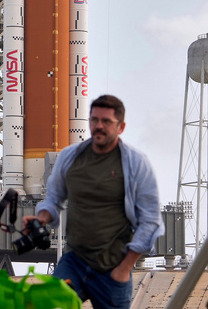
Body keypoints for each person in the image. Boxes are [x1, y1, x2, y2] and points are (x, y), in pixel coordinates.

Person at [29, 95, 164, 309]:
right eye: (94, 120)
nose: (98, 126)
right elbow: (54, 198)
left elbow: (151, 222)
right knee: (43, 306)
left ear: (121, 127)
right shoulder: (70, 157)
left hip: (113, 269)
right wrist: (41, 218)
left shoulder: (136, 164)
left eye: (106, 122)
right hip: (75, 262)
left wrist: (125, 268)